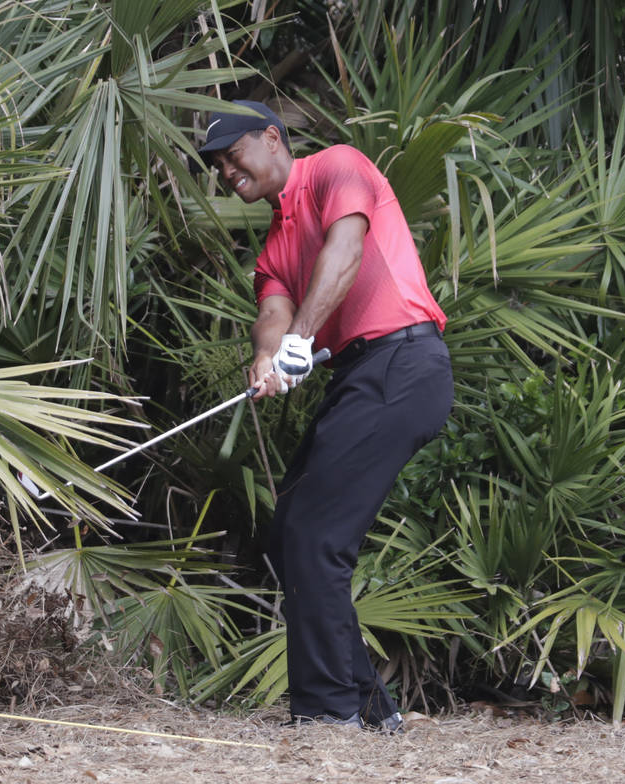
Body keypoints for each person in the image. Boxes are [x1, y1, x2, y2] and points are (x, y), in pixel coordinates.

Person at [196, 100, 453, 731]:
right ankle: (365, 709)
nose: (227, 171)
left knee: (315, 535)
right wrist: (267, 357)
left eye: (234, 154)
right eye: (218, 165)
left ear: (273, 138)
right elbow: (273, 311)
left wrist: (301, 340)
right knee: (292, 532)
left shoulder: (338, 167)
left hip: (404, 361)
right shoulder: (275, 244)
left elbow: (345, 251)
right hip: (362, 376)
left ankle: (331, 712)